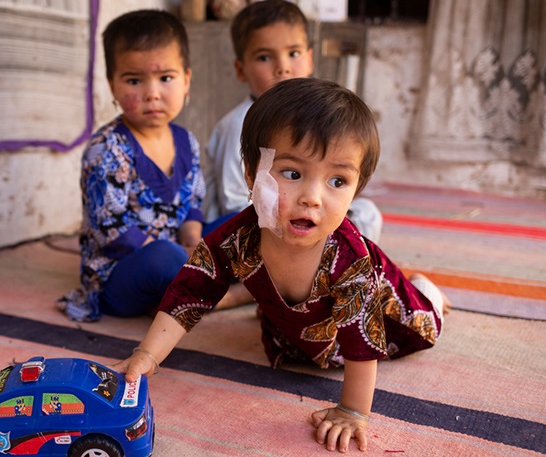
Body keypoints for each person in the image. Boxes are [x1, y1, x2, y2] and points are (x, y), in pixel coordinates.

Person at [114, 78, 449, 454]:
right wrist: (148, 355)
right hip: (302, 330)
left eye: (338, 181)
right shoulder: (237, 238)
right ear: (251, 173)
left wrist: (353, 411)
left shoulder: (349, 260)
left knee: (426, 324)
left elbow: (363, 339)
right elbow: (190, 291)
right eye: (292, 173)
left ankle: (426, 289)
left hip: (383, 315)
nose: (312, 198)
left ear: (356, 190)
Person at [57, 9, 205, 322]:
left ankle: (187, 285)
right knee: (165, 258)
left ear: (186, 80)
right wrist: (184, 259)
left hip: (177, 252)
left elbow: (193, 201)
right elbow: (113, 232)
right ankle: (209, 292)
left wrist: (193, 239)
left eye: (166, 78)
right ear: (112, 86)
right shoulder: (107, 149)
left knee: (243, 225)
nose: (152, 94)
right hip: (120, 274)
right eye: (134, 81)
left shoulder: (186, 141)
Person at [204, 0, 383, 244]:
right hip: (248, 224)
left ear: (309, 59)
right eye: (265, 57)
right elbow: (233, 203)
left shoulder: (315, 116)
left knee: (366, 214)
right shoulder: (238, 123)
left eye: (294, 53)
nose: (283, 67)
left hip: (299, 212)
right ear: (240, 69)